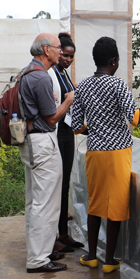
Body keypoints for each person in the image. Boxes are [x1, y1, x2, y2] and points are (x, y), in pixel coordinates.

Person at [71, 36, 140, 274]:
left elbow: (75, 126)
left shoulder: (82, 86)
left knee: (95, 204)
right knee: (115, 205)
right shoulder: (117, 85)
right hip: (118, 153)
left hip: (94, 150)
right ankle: (110, 261)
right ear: (114, 61)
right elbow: (135, 118)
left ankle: (92, 256)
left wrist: (95, 129)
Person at [19, 33, 74, 273]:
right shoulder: (41, 77)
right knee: (46, 203)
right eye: (58, 48)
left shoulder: (27, 72)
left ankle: (38, 253)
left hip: (31, 141)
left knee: (35, 201)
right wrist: (68, 100)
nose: (60, 52)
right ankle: (39, 259)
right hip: (43, 142)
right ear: (45, 50)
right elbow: (52, 118)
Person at [48, 33, 84, 253]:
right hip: (57, 132)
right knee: (56, 185)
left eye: (71, 57)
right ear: (57, 52)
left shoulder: (64, 74)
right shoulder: (51, 73)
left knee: (65, 185)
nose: (68, 60)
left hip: (67, 132)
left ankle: (63, 232)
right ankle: (52, 236)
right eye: (65, 55)